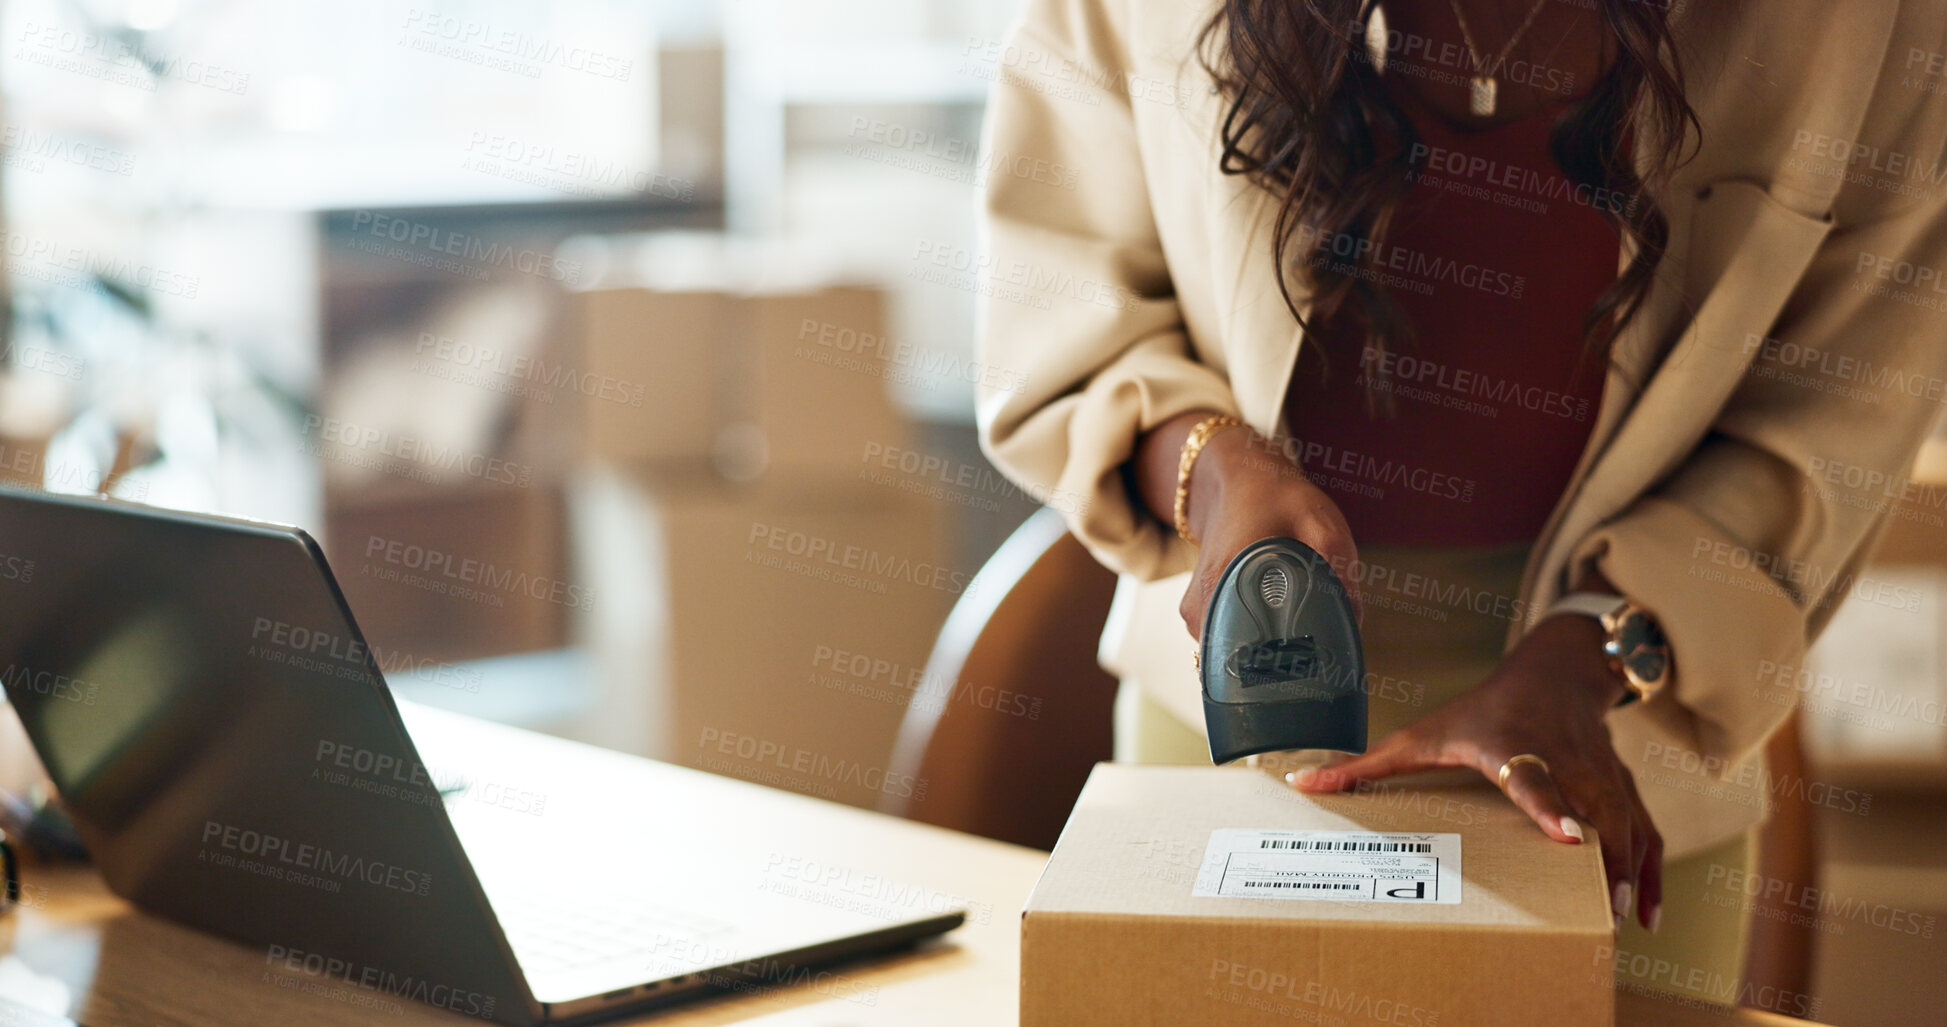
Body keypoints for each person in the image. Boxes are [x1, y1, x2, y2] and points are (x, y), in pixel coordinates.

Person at [975, 0, 1947, 1008]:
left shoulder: (1867, 27)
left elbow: (1833, 423)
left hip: (1607, 764)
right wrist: (1215, 471)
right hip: (1231, 723)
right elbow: (1062, 309)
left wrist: (1588, 653)